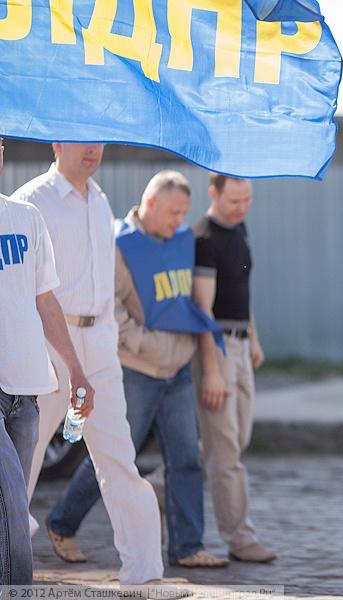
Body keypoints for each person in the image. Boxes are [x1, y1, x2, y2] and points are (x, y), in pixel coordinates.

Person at [45, 170, 228, 568]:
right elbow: (116, 311)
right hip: (137, 370)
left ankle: (187, 547)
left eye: (184, 213)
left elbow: (189, 302)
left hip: (176, 370)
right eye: (173, 212)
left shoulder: (180, 241)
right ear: (149, 204)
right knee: (111, 459)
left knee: (185, 459)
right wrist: (151, 346)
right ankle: (62, 523)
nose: (180, 221)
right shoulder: (119, 245)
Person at [13, 143, 164, 584]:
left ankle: (144, 574)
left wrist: (108, 341)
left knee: (120, 459)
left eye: (99, 138)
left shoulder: (100, 202)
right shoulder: (31, 201)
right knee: (22, 463)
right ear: (57, 143)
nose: (93, 148)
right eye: (81, 137)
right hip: (46, 344)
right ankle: (10, 565)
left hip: (101, 345)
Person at [0, 137, 95, 584]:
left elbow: (45, 302)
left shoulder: (26, 217)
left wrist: (75, 370)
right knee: (14, 506)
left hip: (27, 390)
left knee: (9, 506)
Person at [192, 173, 274, 562]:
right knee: (225, 451)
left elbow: (243, 290)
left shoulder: (240, 228)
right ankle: (240, 538)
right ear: (214, 193)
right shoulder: (204, 238)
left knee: (234, 440)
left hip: (242, 346)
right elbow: (202, 308)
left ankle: (160, 490)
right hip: (218, 347)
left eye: (247, 200)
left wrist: (253, 338)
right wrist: (211, 367)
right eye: (233, 201)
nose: (241, 208)